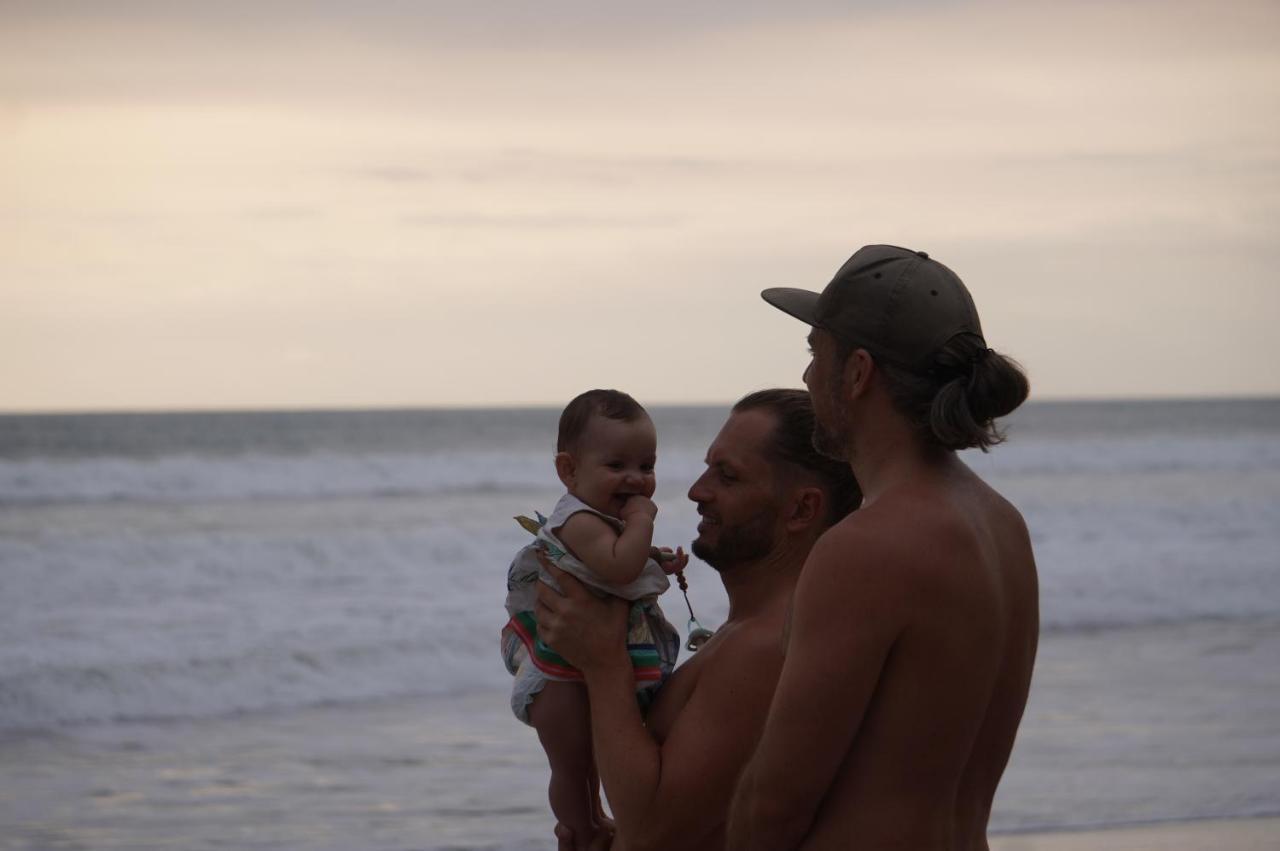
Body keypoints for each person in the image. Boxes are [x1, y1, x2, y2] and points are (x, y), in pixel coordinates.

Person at [727, 245, 1039, 850]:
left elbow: (776, 803)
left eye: (816, 355)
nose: (808, 377)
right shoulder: (1003, 526)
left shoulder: (867, 548)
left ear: (858, 372)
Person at [535, 389, 861, 851]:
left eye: (726, 476)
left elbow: (653, 832)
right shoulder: (759, 629)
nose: (696, 490)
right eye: (708, 467)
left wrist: (604, 664)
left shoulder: (766, 644)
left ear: (802, 509)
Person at [501, 389, 684, 850]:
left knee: (593, 762)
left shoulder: (603, 519)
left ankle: (595, 819)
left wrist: (657, 560)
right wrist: (645, 522)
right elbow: (619, 567)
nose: (635, 479)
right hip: (556, 679)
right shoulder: (579, 521)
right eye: (617, 466)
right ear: (568, 470)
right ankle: (579, 830)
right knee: (571, 766)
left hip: (576, 670)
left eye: (646, 466)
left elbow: (620, 565)